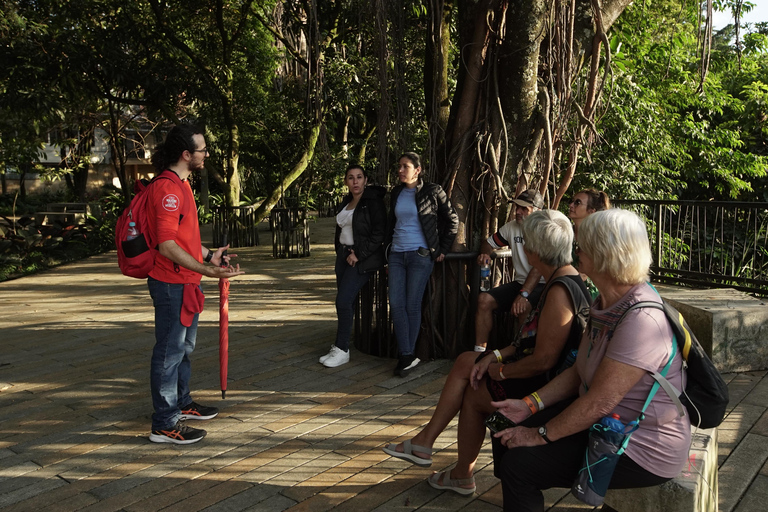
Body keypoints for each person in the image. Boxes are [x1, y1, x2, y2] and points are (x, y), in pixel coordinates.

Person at [490, 208, 691, 511]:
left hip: (640, 445)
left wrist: (539, 435)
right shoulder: (606, 302)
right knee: (505, 432)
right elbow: (577, 373)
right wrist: (529, 405)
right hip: (605, 424)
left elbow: (600, 401)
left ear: (606, 254)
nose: (576, 251)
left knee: (520, 464)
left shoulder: (642, 319)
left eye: (583, 245)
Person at [382, 210, 590, 496]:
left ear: (535, 251)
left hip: (545, 387)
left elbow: (544, 360)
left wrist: (501, 371)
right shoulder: (564, 278)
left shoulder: (559, 291)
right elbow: (528, 342)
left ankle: (448, 462)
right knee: (470, 365)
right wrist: (496, 356)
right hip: (539, 375)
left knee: (473, 385)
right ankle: (441, 457)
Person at [146, 124, 245, 445]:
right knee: (169, 352)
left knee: (183, 348)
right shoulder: (167, 190)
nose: (206, 154)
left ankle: (181, 404)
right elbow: (166, 245)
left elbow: (184, 238)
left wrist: (209, 257)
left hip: (187, 282)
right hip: (171, 284)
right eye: (202, 150)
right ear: (186, 154)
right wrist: (206, 268)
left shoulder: (182, 184)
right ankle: (164, 422)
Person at [387, 151, 458, 377]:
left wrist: (442, 249)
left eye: (405, 166)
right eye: (399, 166)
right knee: (396, 304)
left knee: (411, 304)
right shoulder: (396, 192)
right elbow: (391, 223)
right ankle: (407, 355)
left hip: (420, 255)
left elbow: (452, 220)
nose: (400, 170)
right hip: (397, 254)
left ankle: (406, 355)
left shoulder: (432, 191)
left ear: (417, 170)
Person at [319, 164, 387, 368]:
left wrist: (359, 254)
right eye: (351, 177)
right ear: (346, 182)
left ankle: (342, 350)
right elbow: (340, 230)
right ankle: (339, 346)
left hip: (361, 259)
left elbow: (379, 233)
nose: (355, 181)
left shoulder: (373, 202)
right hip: (343, 257)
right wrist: (340, 251)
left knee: (343, 300)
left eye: (359, 177)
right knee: (344, 303)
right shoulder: (345, 202)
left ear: (366, 180)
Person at [474, 189, 547, 352]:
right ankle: (479, 352)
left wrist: (524, 294)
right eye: (517, 207)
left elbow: (539, 267)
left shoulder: (544, 229)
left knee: (524, 306)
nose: (518, 212)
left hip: (544, 285)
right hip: (520, 283)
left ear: (537, 212)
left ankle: (521, 354)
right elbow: (488, 243)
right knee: (484, 300)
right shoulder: (511, 227)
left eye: (524, 209)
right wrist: (485, 253)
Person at [568, 189, 610, 298]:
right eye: (572, 201)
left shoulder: (598, 238)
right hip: (567, 289)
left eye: (577, 203)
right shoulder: (566, 234)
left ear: (591, 211)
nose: (571, 205)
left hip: (592, 295)